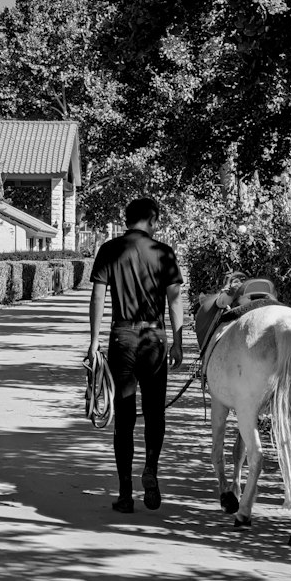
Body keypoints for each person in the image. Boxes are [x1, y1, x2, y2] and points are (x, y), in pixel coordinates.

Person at [87, 196, 184, 513]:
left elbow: (98, 297)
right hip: (154, 339)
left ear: (127, 219)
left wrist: (93, 341)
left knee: (124, 418)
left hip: (122, 338)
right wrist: (178, 341)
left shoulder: (110, 249)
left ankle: (126, 494)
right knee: (156, 412)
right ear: (152, 220)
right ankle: (151, 469)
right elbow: (174, 301)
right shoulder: (163, 253)